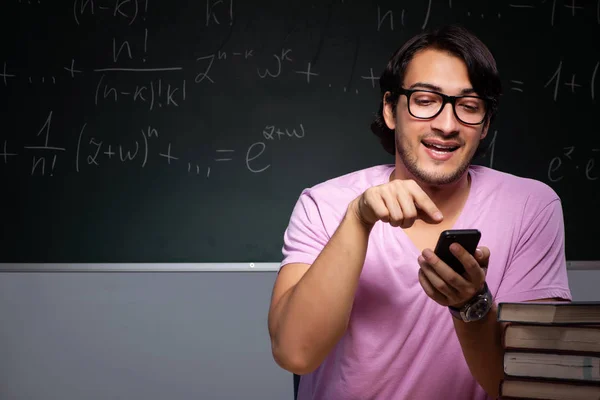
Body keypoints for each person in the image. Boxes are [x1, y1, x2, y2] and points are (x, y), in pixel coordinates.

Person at [267, 24, 572, 400]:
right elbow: (295, 353)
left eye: (469, 106)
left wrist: (470, 304)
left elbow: (535, 383)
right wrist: (357, 221)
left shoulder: (530, 206)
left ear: (486, 124)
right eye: (425, 100)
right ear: (391, 109)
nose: (447, 125)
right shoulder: (325, 203)